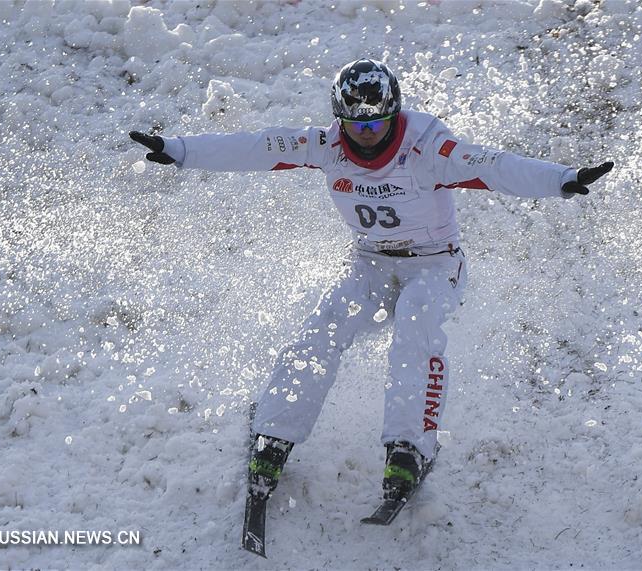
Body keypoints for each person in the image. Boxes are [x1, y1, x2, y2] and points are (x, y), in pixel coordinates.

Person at [130, 58, 613, 503]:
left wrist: (561, 179)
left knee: (414, 334)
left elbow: (495, 167)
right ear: (339, 118)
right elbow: (258, 146)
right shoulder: (326, 145)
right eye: (355, 124)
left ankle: (408, 449)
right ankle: (272, 433)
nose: (364, 133)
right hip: (369, 264)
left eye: (375, 123)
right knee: (321, 331)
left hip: (435, 264)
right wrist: (180, 151)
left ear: (393, 114)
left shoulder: (428, 149)